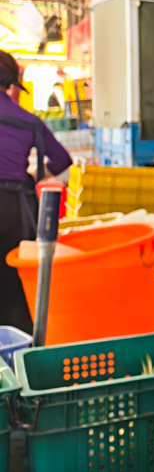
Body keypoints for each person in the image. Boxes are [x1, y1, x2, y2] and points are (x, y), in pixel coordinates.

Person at [0, 50, 71, 332]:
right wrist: (30, 176)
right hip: (16, 210)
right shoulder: (29, 121)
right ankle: (18, 345)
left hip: (15, 203)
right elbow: (62, 159)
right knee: (16, 282)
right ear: (12, 83)